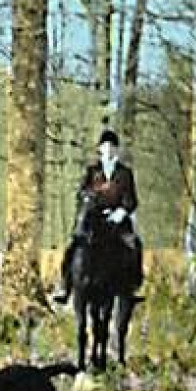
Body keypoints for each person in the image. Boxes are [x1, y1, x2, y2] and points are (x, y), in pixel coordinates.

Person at [53, 129, 141, 304]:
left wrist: (120, 212)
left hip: (117, 221)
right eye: (105, 146)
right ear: (100, 149)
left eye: (111, 147)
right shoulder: (92, 171)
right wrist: (89, 199)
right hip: (94, 220)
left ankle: (132, 286)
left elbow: (131, 199)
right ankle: (65, 285)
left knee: (135, 245)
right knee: (73, 247)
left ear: (116, 149)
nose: (108, 150)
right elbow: (82, 192)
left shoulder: (125, 173)